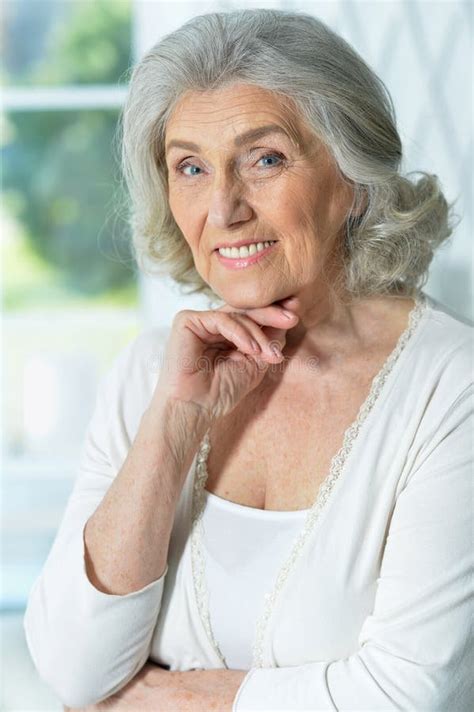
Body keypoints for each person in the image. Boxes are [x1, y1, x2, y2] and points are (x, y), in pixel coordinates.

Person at [24, 8, 473, 711]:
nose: (224, 207)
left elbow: (409, 692)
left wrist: (154, 701)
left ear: (352, 179)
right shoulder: (153, 373)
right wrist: (173, 422)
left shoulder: (450, 387)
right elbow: (74, 669)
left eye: (265, 159)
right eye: (191, 167)